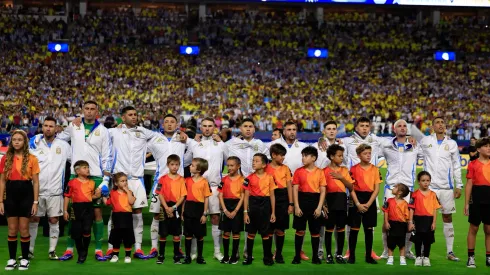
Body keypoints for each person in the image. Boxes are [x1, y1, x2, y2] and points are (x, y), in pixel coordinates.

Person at [57, 100, 111, 261]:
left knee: (97, 213)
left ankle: (98, 249)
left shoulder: (103, 131)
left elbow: (107, 156)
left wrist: (106, 180)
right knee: (74, 213)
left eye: (92, 109)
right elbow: (59, 139)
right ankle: (69, 248)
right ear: (82, 111)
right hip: (76, 175)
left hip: (95, 175)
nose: (89, 111)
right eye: (86, 109)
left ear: (97, 112)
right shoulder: (74, 126)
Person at [106, 106, 160, 259]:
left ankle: (138, 248)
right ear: (123, 118)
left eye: (136, 114)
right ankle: (111, 247)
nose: (134, 117)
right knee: (114, 214)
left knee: (137, 213)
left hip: (137, 179)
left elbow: (161, 139)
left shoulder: (144, 132)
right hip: (119, 180)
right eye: (130, 115)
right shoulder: (113, 132)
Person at [419, 117, 462, 262]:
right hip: (429, 188)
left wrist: (459, 185)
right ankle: (423, 251)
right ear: (432, 126)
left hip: (446, 188)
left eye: (443, 122)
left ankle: (450, 251)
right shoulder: (425, 141)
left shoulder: (451, 143)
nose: (440, 124)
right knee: (425, 219)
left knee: (447, 217)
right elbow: (414, 151)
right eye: (437, 122)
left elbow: (456, 165)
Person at [184, 117, 228, 261]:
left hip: (214, 187)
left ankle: (217, 251)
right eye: (204, 126)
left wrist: (221, 142)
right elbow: (185, 161)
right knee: (196, 220)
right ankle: (194, 252)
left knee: (215, 218)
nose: (207, 128)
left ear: (214, 128)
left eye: (210, 126)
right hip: (196, 187)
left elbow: (230, 158)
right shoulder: (194, 145)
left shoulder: (221, 145)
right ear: (200, 128)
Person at [379, 119, 422, 260]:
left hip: (408, 188)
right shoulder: (386, 145)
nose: (402, 128)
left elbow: (429, 153)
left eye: (404, 126)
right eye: (399, 126)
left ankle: (407, 250)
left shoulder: (415, 145)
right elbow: (375, 154)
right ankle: (386, 250)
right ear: (394, 129)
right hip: (390, 188)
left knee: (409, 220)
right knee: (387, 221)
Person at [28, 117, 71, 260]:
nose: (48, 128)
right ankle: (30, 250)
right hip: (36, 191)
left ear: (56, 128)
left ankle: (52, 250)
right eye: (45, 125)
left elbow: (75, 160)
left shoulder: (64, 145)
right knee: (34, 220)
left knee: (54, 220)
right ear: (42, 127)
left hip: (55, 191)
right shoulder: (34, 143)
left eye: (51, 126)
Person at [147, 114, 188, 258]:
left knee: (179, 216)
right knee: (157, 215)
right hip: (159, 183)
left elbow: (196, 145)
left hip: (178, 183)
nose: (169, 124)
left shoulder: (183, 139)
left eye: (172, 122)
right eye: (166, 122)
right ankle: (154, 248)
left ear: (177, 125)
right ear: (162, 125)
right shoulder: (154, 139)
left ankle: (179, 248)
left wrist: (185, 134)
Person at [0, 130, 40, 271]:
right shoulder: (5, 158)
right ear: (11, 142)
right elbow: (2, 181)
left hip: (26, 194)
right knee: (12, 229)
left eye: (20, 139)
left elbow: (35, 182)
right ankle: (11, 259)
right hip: (10, 195)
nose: (16, 141)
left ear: (25, 142)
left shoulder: (32, 158)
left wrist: (35, 202)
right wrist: (0, 201)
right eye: (14, 139)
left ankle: (24, 259)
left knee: (23, 229)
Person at [270, 121, 309, 260]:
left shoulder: (304, 147)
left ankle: (301, 250)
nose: (292, 132)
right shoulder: (272, 145)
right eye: (289, 129)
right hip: (278, 190)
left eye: (294, 129)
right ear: (283, 131)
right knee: (277, 222)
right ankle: (276, 251)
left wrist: (322, 139)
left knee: (301, 221)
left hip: (300, 188)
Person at [291, 146, 326, 265]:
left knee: (315, 231)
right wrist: (296, 206)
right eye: (302, 156)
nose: (303, 158)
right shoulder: (298, 171)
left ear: (314, 158)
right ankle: (297, 256)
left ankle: (315, 257)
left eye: (305, 156)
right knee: (299, 230)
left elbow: (323, 191)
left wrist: (319, 207)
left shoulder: (320, 172)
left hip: (315, 202)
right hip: (301, 201)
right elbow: (295, 189)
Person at [63, 160, 102, 264]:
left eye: (88, 167)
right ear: (77, 171)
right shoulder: (72, 182)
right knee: (76, 232)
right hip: (76, 208)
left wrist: (97, 196)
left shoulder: (92, 183)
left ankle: (84, 250)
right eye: (84, 167)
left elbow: (90, 196)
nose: (87, 169)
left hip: (88, 208)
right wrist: (65, 210)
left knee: (86, 230)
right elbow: (67, 196)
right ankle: (80, 251)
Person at [347, 144, 381, 264]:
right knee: (354, 229)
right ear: (359, 155)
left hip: (369, 200)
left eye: (369, 153)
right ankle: (352, 256)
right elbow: (351, 188)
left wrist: (368, 204)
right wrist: (357, 203)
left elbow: (377, 189)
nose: (368, 155)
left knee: (369, 229)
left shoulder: (375, 169)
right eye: (365, 153)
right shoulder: (353, 169)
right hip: (357, 199)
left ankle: (368, 256)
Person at [242, 153, 276, 266]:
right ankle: (249, 257)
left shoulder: (270, 177)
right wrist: (245, 212)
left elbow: (272, 195)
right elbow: (246, 196)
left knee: (265, 233)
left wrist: (273, 212)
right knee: (251, 233)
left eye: (256, 161)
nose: (253, 163)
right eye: (253, 160)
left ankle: (267, 257)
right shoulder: (248, 178)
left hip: (265, 207)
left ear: (264, 164)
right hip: (253, 207)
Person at [323, 144, 354, 264]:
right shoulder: (324, 171)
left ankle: (339, 254)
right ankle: (329, 255)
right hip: (329, 201)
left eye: (342, 156)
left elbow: (351, 186)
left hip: (342, 201)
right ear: (331, 156)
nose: (342, 158)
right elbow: (323, 189)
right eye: (339, 156)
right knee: (329, 229)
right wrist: (324, 204)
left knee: (341, 228)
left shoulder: (344, 171)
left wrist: (341, 178)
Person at [155, 154, 187, 265]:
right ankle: (161, 256)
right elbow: (159, 194)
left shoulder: (182, 180)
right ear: (168, 165)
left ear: (179, 166)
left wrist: (173, 208)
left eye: (177, 165)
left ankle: (176, 257)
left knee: (176, 233)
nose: (174, 167)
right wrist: (166, 208)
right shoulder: (162, 179)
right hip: (164, 207)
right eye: (172, 164)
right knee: (163, 233)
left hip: (176, 207)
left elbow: (183, 196)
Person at [464, 137, 490, 268]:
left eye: (489, 145)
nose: (489, 148)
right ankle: (470, 257)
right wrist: (466, 203)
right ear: (479, 149)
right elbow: (469, 184)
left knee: (489, 229)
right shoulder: (473, 164)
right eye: (486, 146)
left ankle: (488, 257)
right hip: (477, 198)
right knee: (474, 227)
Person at [265, 144, 293, 264]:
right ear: (273, 155)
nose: (283, 158)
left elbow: (289, 186)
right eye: (281, 155)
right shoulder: (265, 168)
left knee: (280, 229)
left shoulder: (286, 168)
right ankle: (268, 254)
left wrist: (291, 203)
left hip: (283, 198)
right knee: (269, 229)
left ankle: (279, 254)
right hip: (268, 198)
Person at [408, 171, 440, 267]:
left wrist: (434, 222)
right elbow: (411, 209)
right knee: (418, 239)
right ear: (418, 182)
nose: (425, 182)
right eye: (423, 180)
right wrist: (410, 221)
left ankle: (426, 257)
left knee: (427, 240)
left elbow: (435, 209)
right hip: (417, 219)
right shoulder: (414, 194)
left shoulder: (433, 195)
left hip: (429, 220)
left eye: (427, 180)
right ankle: (418, 257)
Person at [182, 158, 210, 265]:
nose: (190, 166)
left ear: (198, 170)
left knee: (199, 235)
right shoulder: (187, 180)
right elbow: (184, 197)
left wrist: (204, 213)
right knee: (188, 235)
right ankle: (187, 256)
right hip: (189, 208)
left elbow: (206, 198)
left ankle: (200, 257)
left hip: (199, 209)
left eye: (192, 165)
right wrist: (183, 211)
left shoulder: (204, 182)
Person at [103, 172, 136, 264]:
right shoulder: (112, 193)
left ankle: (128, 255)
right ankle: (115, 255)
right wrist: (103, 195)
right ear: (116, 183)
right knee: (116, 237)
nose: (125, 182)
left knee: (127, 237)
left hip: (127, 217)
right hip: (116, 217)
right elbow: (107, 203)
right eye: (122, 181)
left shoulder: (130, 192)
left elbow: (131, 201)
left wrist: (128, 191)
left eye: (126, 180)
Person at [218, 156, 245, 264]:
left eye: (232, 165)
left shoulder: (243, 180)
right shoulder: (223, 180)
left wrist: (235, 211)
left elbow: (243, 196)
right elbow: (220, 195)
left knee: (236, 232)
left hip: (237, 207)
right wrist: (224, 210)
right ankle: (225, 256)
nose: (229, 168)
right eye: (228, 165)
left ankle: (234, 256)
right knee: (226, 232)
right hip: (226, 206)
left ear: (238, 166)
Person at [382, 183, 410, 266]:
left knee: (402, 242)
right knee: (390, 241)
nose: (393, 188)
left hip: (402, 224)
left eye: (395, 187)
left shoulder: (405, 203)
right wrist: (386, 222)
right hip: (391, 223)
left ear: (400, 192)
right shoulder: (389, 201)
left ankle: (402, 258)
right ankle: (390, 258)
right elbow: (386, 211)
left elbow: (407, 215)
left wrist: (409, 224)